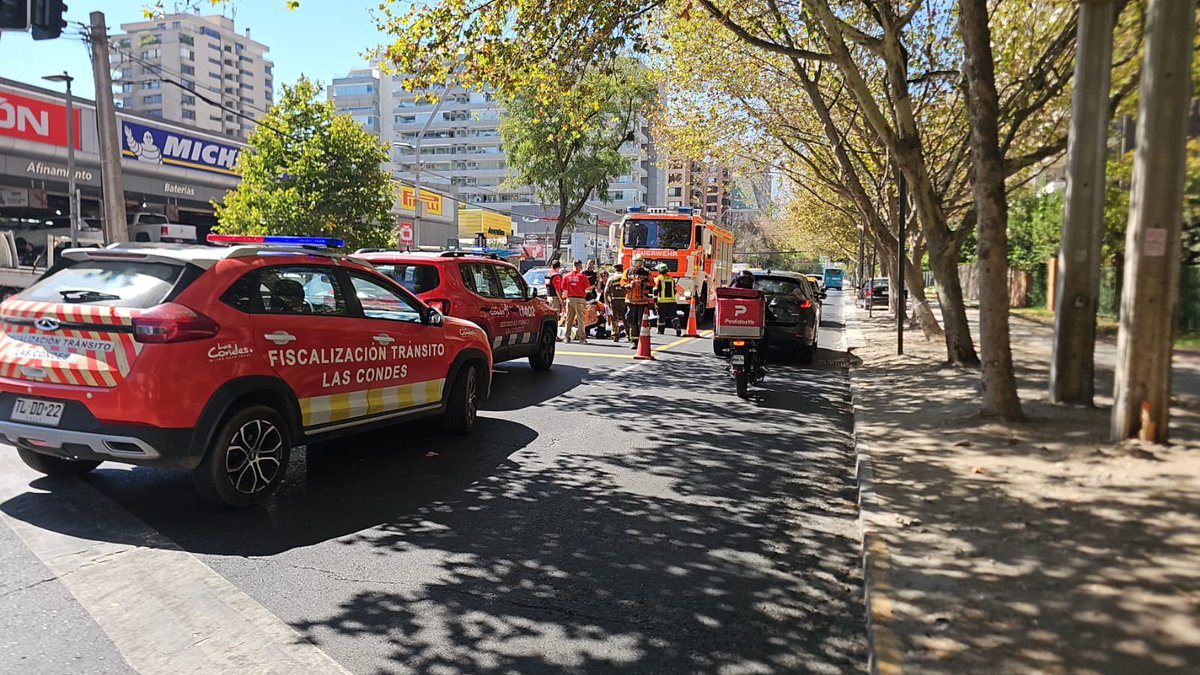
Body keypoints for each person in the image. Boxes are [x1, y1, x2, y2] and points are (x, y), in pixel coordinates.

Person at [621, 256, 654, 349]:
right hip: (631, 301)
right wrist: (629, 285)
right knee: (632, 321)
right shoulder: (627, 272)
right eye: (635, 263)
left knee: (641, 322)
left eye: (638, 264)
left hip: (643, 301)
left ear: (641, 263)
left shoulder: (647, 272)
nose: (636, 266)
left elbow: (652, 284)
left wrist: (644, 284)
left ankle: (642, 339)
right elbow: (622, 283)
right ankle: (634, 341)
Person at [561, 260, 591, 343]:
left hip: (570, 299)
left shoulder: (566, 276)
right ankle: (582, 338)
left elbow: (563, 288)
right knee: (581, 319)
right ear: (580, 266)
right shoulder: (583, 276)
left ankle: (567, 337)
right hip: (580, 299)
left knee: (569, 319)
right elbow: (587, 288)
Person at [652, 263, 681, 336]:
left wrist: (655, 301)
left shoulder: (659, 278)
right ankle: (677, 325)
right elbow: (674, 290)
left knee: (661, 316)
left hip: (662, 301)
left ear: (659, 270)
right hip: (672, 301)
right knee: (673, 315)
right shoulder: (671, 278)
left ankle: (660, 330)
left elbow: (655, 290)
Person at [605, 263, 627, 341]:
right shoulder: (625, 278)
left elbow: (606, 291)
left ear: (615, 270)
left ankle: (615, 335)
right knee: (626, 319)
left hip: (614, 301)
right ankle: (629, 335)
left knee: (614, 319)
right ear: (622, 269)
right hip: (625, 301)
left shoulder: (611, 279)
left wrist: (606, 302)